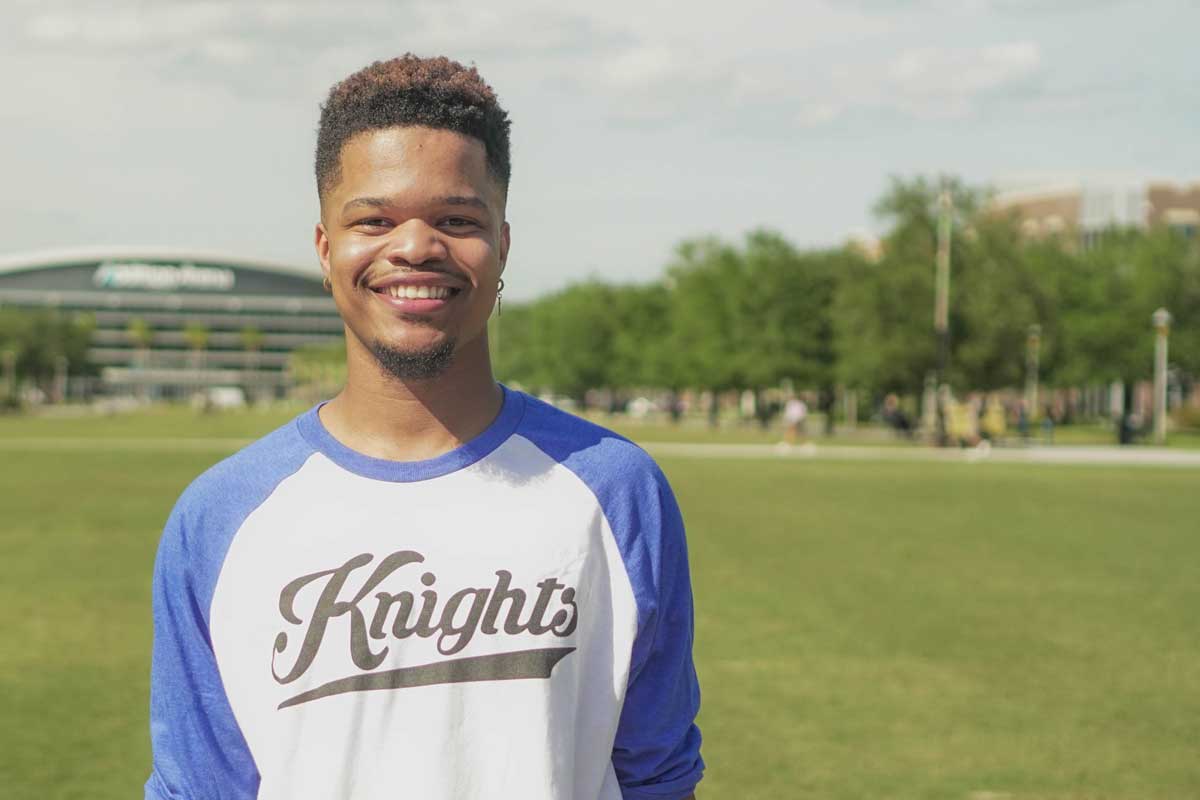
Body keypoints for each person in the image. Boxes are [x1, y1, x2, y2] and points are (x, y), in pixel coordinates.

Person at [145, 55, 703, 800]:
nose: (414, 247)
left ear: (501, 245)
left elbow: (656, 777)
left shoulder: (616, 488)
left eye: (456, 220)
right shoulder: (219, 517)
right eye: (374, 220)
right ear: (325, 250)